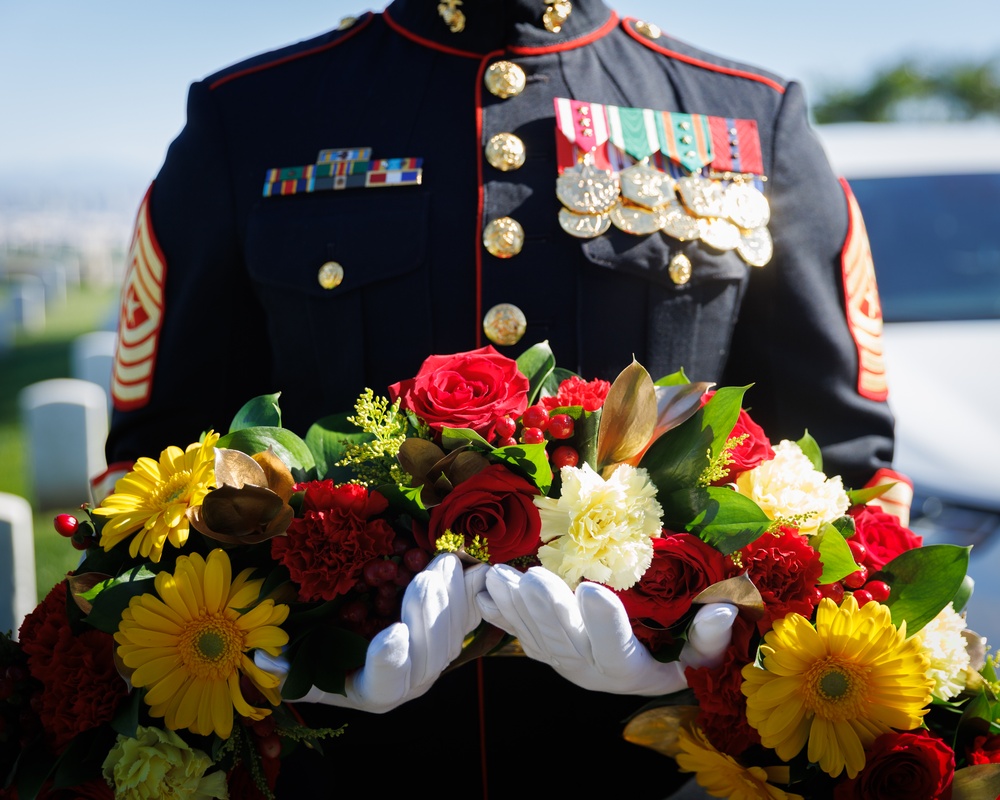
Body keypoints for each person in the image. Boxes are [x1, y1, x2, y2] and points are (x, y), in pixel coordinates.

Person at [98, 0, 912, 796]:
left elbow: (844, 470)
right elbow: (156, 458)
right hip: (346, 759)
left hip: (662, 765)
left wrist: (729, 650)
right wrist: (262, 657)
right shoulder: (252, 116)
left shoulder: (746, 117)